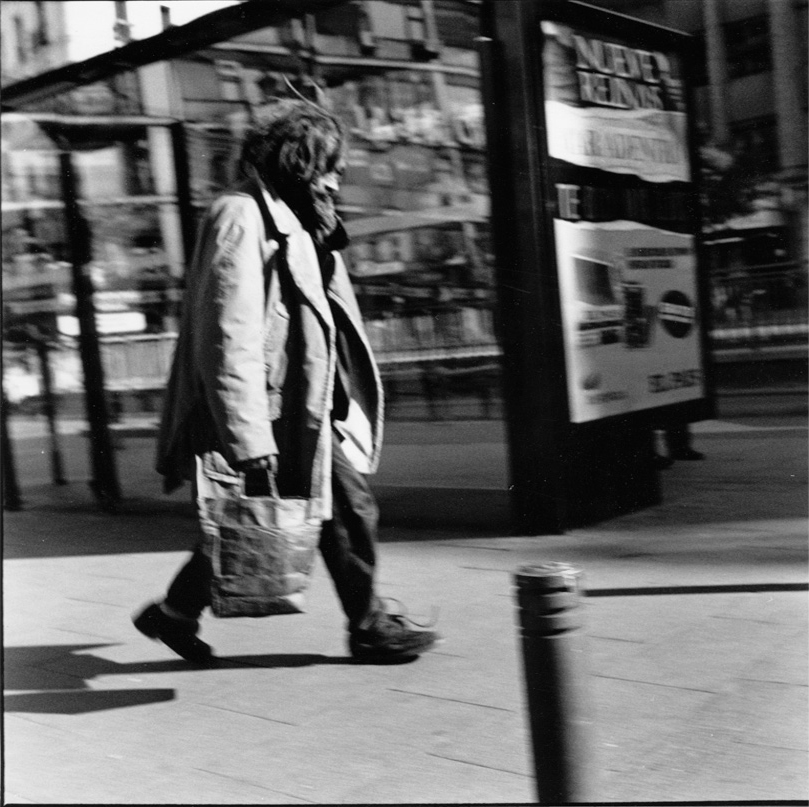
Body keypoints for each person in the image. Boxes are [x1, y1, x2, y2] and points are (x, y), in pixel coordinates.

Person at [133, 99, 438, 664]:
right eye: (329, 166)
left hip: (305, 402)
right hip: (273, 408)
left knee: (289, 517)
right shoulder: (240, 215)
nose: (337, 179)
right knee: (307, 514)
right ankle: (368, 625)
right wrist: (248, 437)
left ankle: (175, 614)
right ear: (298, 160)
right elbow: (228, 333)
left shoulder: (297, 217)